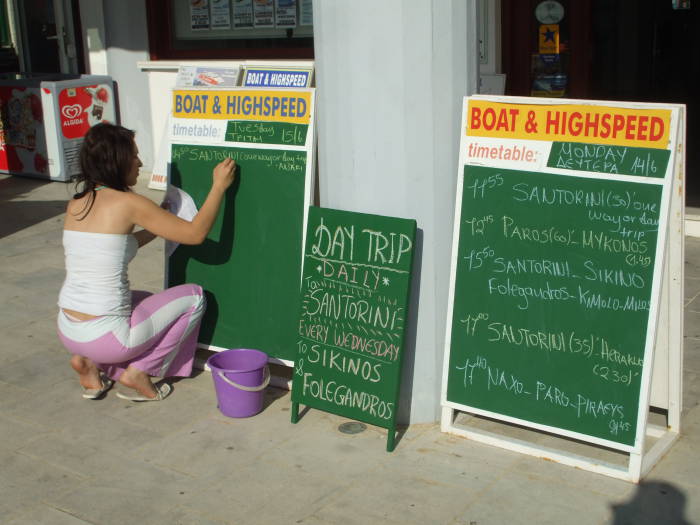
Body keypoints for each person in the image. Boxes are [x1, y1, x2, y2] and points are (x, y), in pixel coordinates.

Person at [57, 123, 235, 401]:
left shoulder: (78, 203)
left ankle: (88, 364)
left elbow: (116, 247)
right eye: (134, 156)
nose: (140, 163)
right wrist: (219, 187)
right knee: (193, 298)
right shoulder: (129, 202)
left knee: (144, 301)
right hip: (109, 337)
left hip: (68, 328)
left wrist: (157, 223)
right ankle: (140, 371)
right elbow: (196, 234)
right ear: (118, 161)